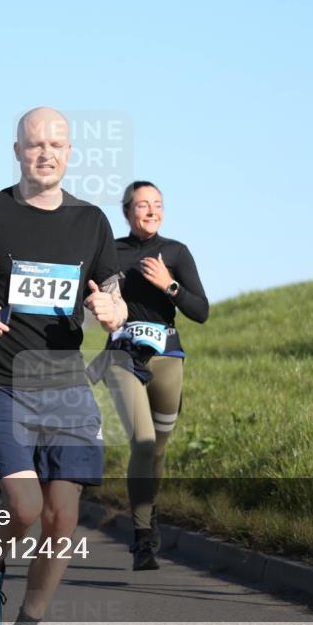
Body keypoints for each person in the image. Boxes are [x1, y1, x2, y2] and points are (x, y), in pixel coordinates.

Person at [0, 107, 126, 625]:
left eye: (57, 145)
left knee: (62, 517)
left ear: (70, 153)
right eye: (36, 144)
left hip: (65, 386)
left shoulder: (92, 223)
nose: (46, 153)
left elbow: (112, 294)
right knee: (25, 506)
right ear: (17, 150)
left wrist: (114, 311)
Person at [89, 180, 209, 570]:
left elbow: (201, 311)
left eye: (157, 204)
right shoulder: (111, 254)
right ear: (127, 212)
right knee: (142, 442)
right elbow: (89, 296)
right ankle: (142, 539)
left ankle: (148, 512)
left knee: (157, 449)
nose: (152, 211)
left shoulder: (176, 252)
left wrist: (168, 285)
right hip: (123, 357)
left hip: (168, 357)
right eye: (143, 205)